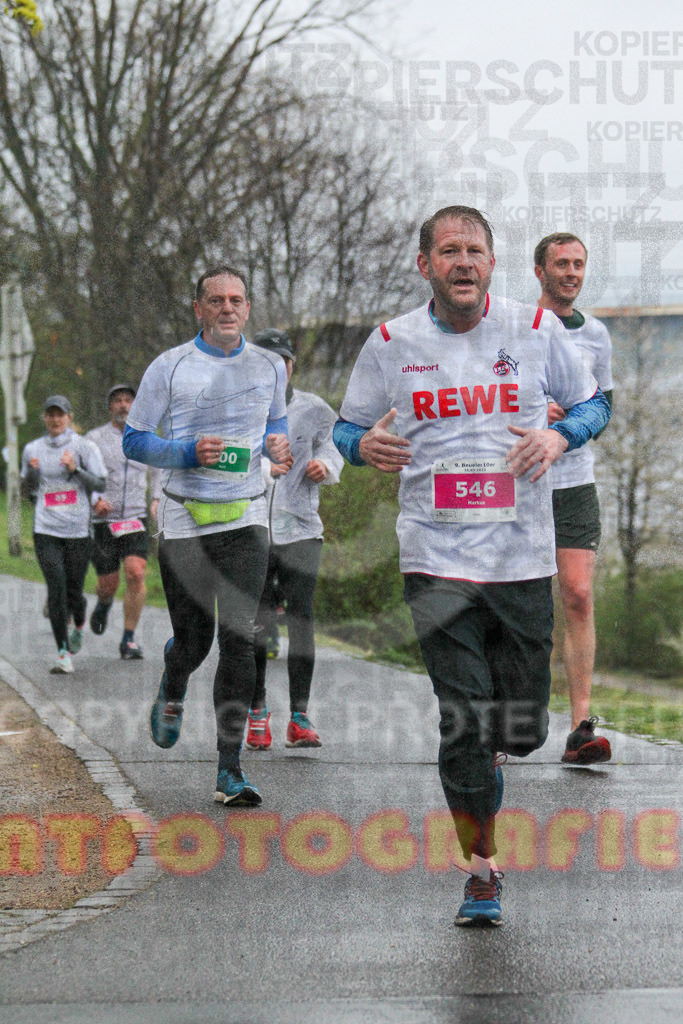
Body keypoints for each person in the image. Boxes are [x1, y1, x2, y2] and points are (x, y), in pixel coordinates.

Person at [334, 206, 610, 927]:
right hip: (434, 556)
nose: (463, 262)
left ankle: (495, 754)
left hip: (518, 558)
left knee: (518, 731)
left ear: (492, 264)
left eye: (475, 251)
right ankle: (481, 871)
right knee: (461, 719)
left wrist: (556, 437)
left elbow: (595, 405)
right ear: (425, 264)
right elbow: (346, 425)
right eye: (449, 251)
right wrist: (359, 447)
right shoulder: (392, 341)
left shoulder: (534, 329)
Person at [122, 264, 292, 807]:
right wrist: (185, 453)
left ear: (248, 308)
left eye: (236, 300)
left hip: (245, 519)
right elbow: (134, 440)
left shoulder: (269, 367)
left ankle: (229, 769)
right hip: (183, 519)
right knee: (194, 643)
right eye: (215, 300)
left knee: (240, 638)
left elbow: (275, 426)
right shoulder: (169, 367)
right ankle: (174, 681)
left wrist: (278, 447)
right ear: (199, 309)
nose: (227, 308)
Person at [534, 233, 614, 765]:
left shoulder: (597, 335)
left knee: (579, 595)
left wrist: (575, 426)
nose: (571, 272)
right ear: (539, 270)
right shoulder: (517, 326)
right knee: (518, 603)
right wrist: (535, 414)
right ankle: (505, 718)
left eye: (578, 264)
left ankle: (581, 726)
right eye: (561, 264)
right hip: (520, 481)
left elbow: (603, 408)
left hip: (574, 483)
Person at [245, 328, 343, 751]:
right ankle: (257, 711)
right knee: (259, 623)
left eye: (282, 362)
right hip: (252, 530)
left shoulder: (314, 409)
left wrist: (325, 464)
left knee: (301, 619)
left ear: (291, 366)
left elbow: (335, 447)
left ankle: (300, 716)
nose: (276, 369)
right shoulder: (240, 409)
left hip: (302, 527)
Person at [21, 396, 107, 674]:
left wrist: (75, 470)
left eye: (60, 415)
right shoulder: (33, 449)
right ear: (45, 418)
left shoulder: (84, 447)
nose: (55, 420)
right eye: (50, 415)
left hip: (78, 531)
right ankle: (62, 653)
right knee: (55, 590)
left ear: (69, 417)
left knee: (74, 594)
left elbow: (100, 482)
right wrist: (32, 475)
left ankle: (79, 623)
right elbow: (27, 491)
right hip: (46, 530)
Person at [86, 384, 162, 659]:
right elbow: (84, 473)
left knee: (136, 572)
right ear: (110, 407)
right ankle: (104, 603)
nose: (123, 405)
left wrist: (155, 499)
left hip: (134, 517)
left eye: (128, 400)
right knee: (108, 583)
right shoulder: (94, 438)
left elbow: (158, 472)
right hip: (103, 518)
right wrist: (96, 499)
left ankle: (128, 638)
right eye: (117, 400)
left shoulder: (146, 438)